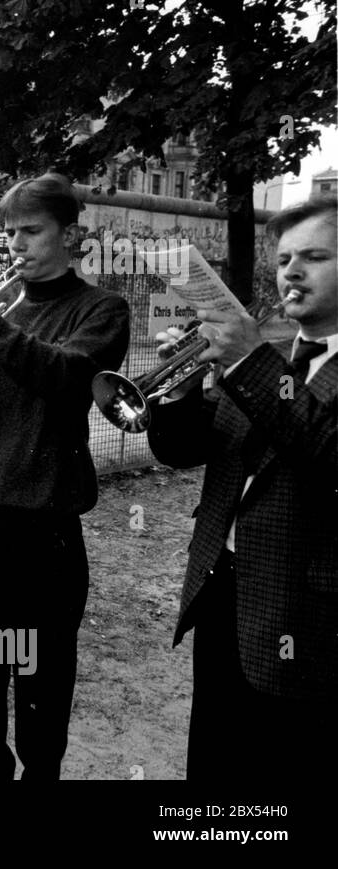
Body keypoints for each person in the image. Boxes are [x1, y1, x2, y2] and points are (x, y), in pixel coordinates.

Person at [0, 172, 130, 779]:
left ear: (72, 235)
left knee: (42, 661)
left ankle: (41, 771)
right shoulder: (2, 306)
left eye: (32, 231)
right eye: (10, 232)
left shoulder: (101, 309)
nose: (16, 244)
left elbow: (66, 380)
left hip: (46, 516)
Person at [147, 194, 337, 782]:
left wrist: (251, 359)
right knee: (215, 761)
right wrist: (176, 396)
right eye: (283, 260)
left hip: (310, 614)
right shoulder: (272, 360)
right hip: (225, 591)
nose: (291, 273)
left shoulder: (262, 362)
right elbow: (186, 452)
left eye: (315, 256)